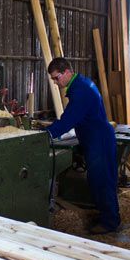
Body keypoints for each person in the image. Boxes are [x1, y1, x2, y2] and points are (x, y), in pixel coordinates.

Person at [46, 58, 121, 234]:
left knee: (102, 182)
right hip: (96, 138)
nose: (56, 83)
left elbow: (68, 120)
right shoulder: (82, 84)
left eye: (56, 78)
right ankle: (108, 216)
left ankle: (110, 223)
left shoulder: (80, 91)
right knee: (102, 180)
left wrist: (47, 133)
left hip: (98, 140)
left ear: (65, 72)